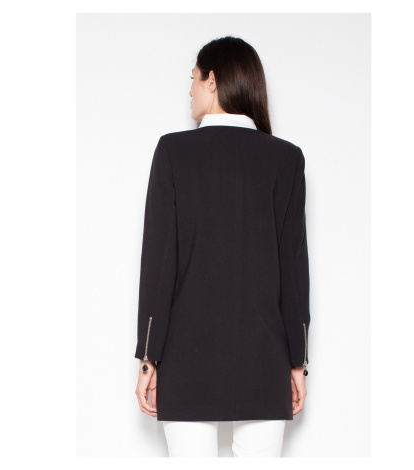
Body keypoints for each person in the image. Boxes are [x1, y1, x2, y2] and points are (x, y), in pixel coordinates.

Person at [134, 36, 310, 458]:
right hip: (265, 358)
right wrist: (297, 360)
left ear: (212, 81)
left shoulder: (173, 151)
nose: (189, 91)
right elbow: (294, 271)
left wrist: (148, 356)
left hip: (185, 356)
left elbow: (159, 262)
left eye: (193, 78)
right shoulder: (286, 159)